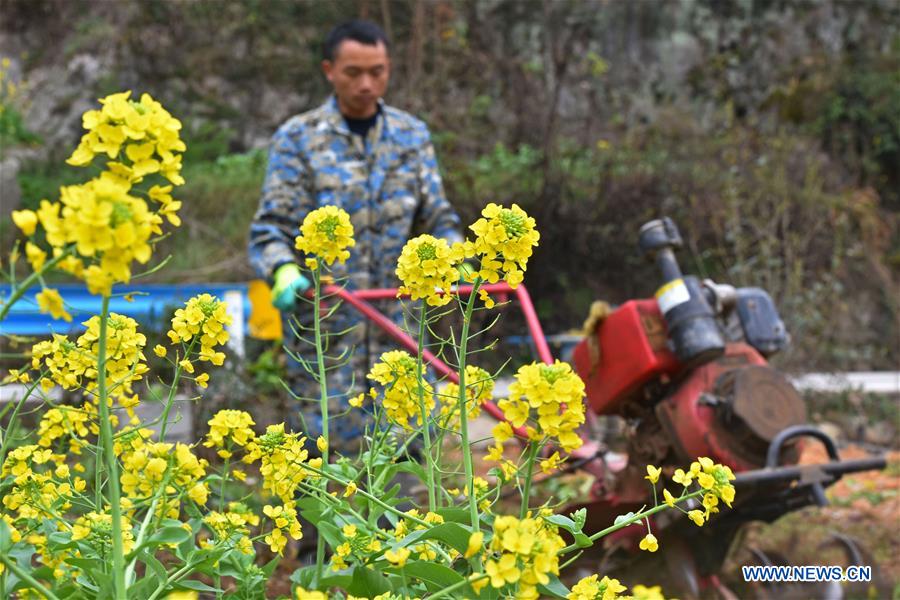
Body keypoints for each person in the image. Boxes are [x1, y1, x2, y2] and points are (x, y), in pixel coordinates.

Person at [248, 20, 462, 453]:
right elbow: (270, 229)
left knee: (404, 481)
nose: (367, 84)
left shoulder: (411, 136)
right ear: (329, 70)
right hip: (327, 346)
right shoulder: (299, 138)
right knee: (323, 481)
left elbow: (437, 216)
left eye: (377, 71)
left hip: (400, 340)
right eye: (353, 72)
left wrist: (459, 252)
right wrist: (283, 269)